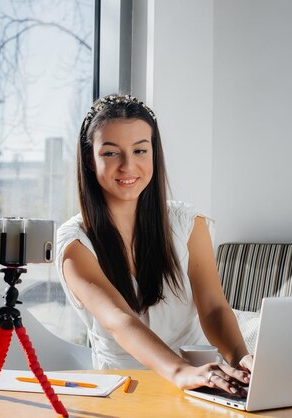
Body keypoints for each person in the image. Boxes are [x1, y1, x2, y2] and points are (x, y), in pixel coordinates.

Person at [55, 94, 253, 394]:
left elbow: (213, 308)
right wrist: (180, 372)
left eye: (140, 150)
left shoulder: (188, 223)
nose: (128, 165)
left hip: (202, 378)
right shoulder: (76, 244)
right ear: (88, 158)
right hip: (126, 389)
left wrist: (242, 360)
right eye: (111, 153)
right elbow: (119, 320)